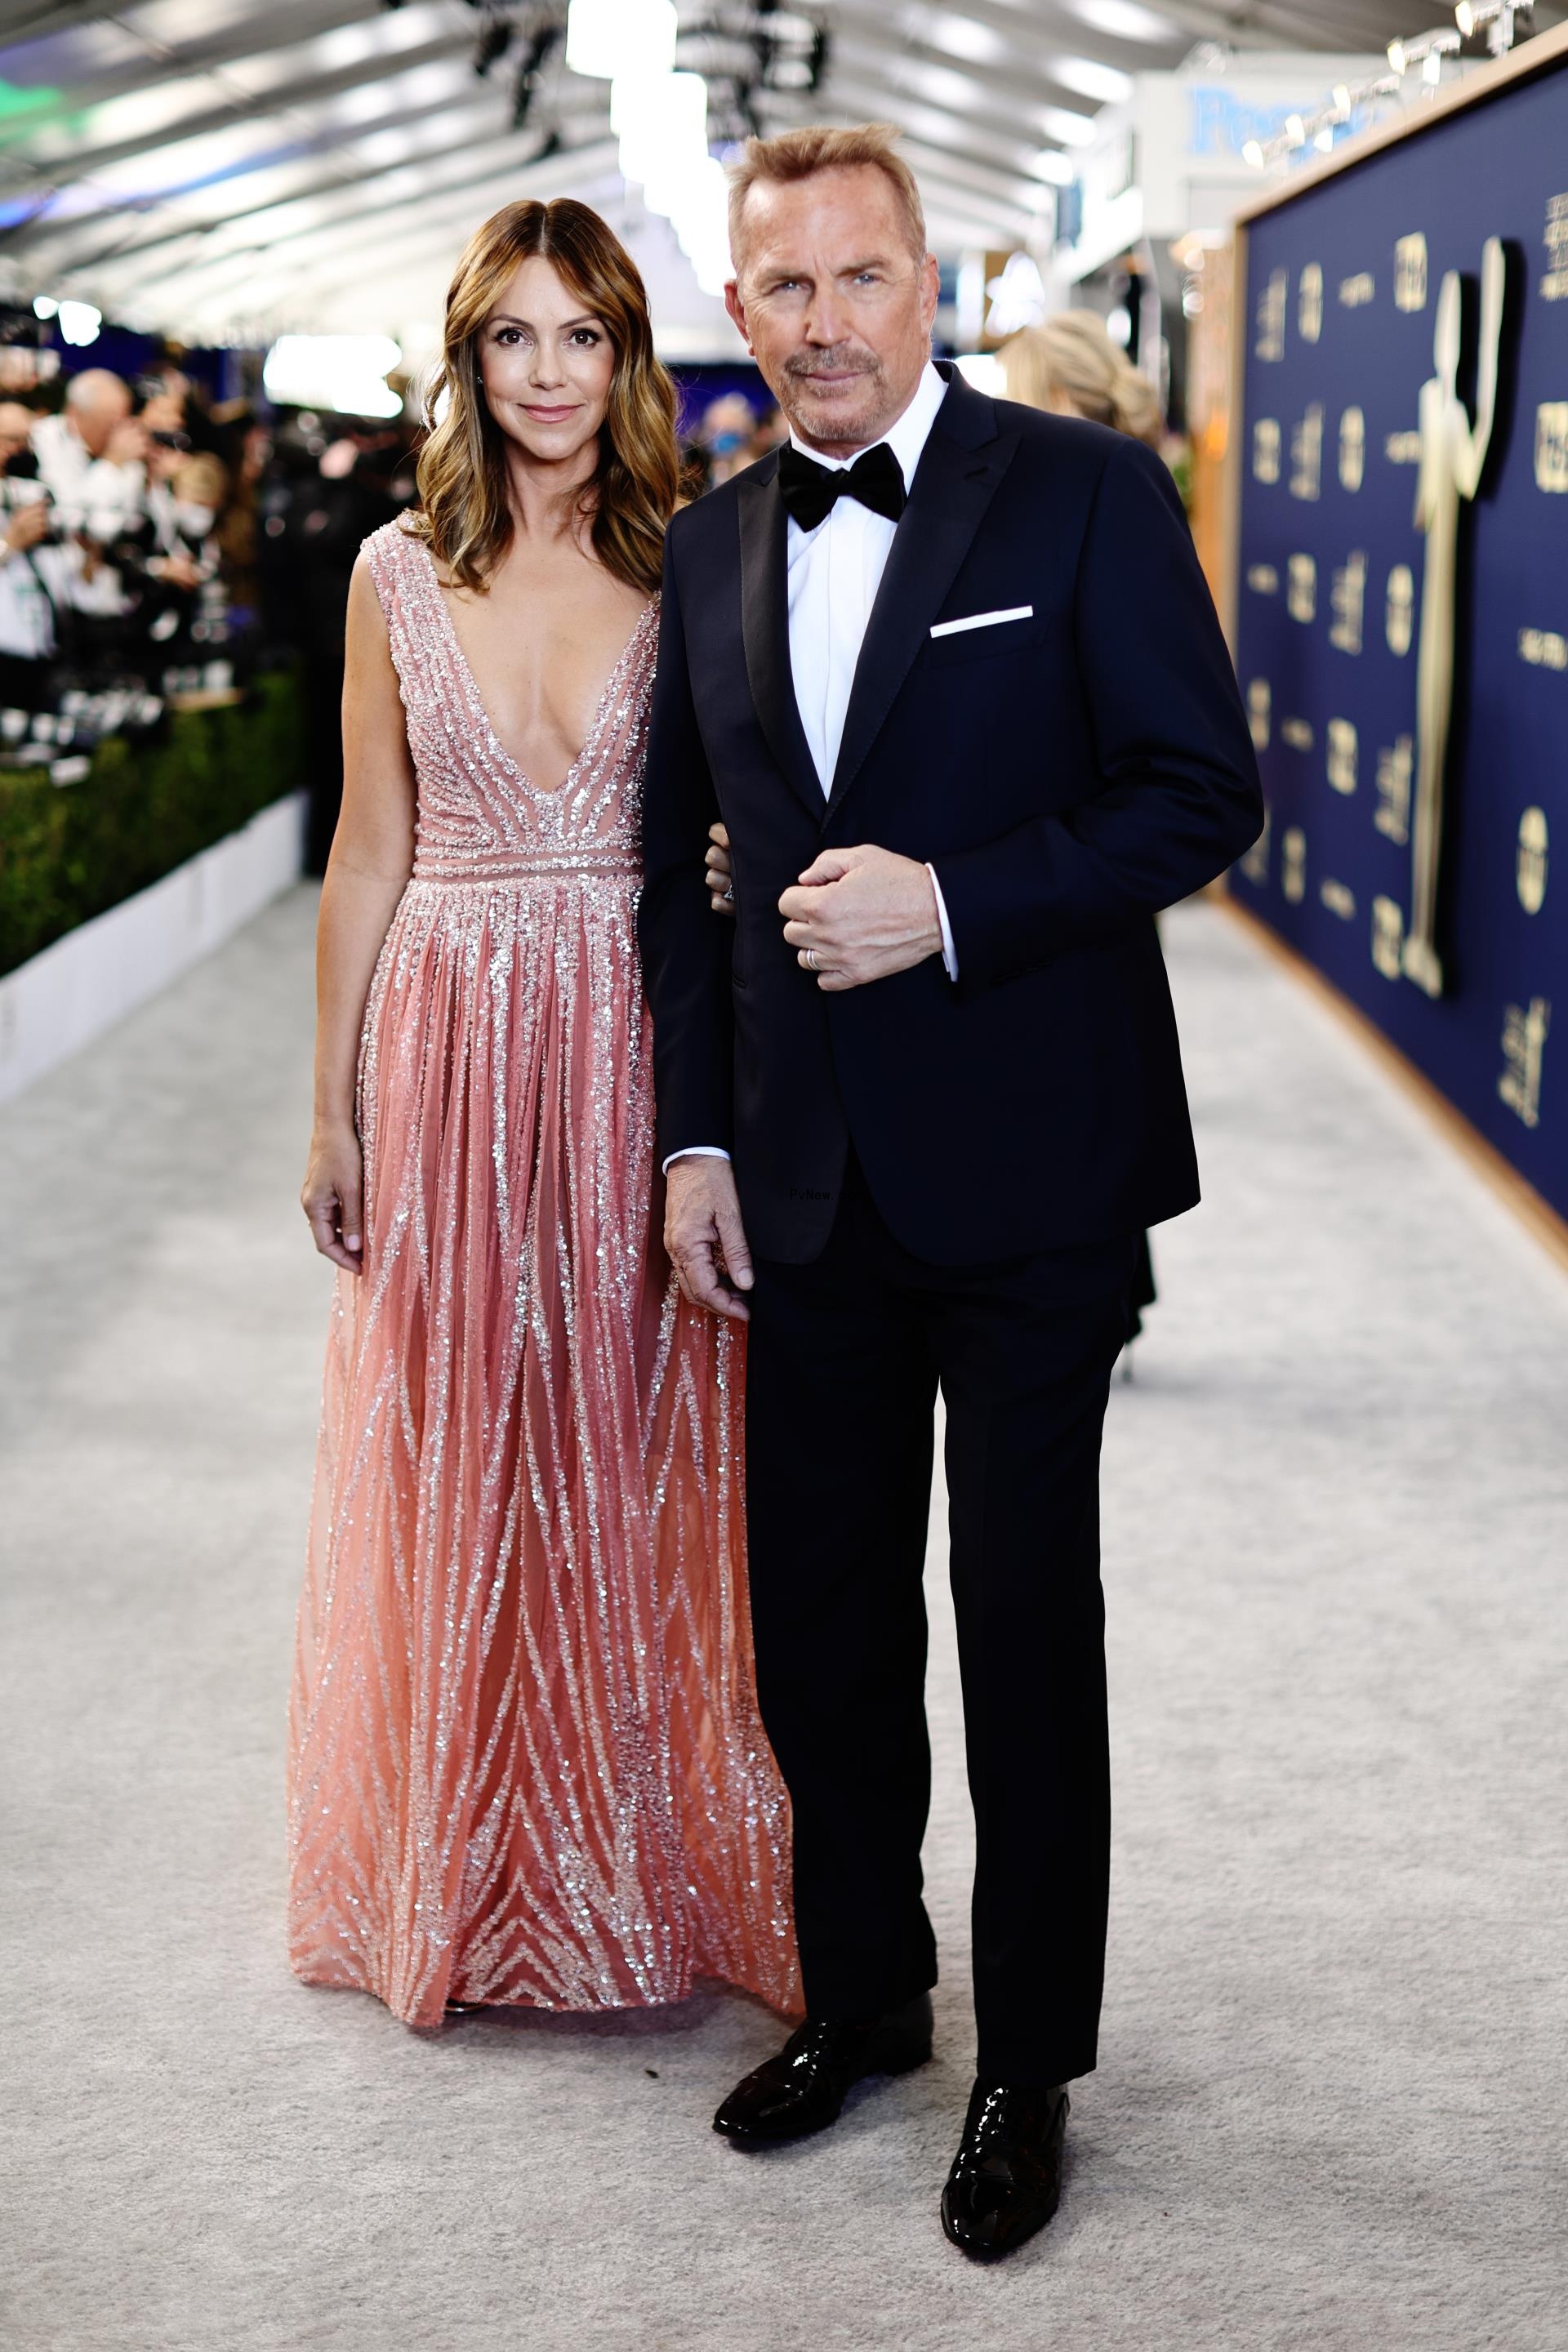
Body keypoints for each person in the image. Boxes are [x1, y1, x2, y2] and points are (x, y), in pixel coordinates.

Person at [638, 123, 1262, 2261]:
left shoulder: (1078, 494)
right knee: (818, 1635)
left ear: (933, 284)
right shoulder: (712, 545)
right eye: (783, 288)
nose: (823, 322)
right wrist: (695, 1138)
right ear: (742, 310)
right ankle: (873, 2000)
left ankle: (1033, 2061)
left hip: (1030, 1172)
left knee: (1023, 1633)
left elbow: (1201, 790)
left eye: (860, 279)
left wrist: (957, 907)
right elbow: (677, 882)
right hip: (797, 1191)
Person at [289, 198, 797, 2029]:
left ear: (630, 356)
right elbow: (368, 843)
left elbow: (751, 807)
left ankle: (630, 1864)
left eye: (582, 336)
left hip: (632, 1039)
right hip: (440, 1030)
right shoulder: (392, 570)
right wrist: (334, 1105)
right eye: (513, 336)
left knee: (632, 1433)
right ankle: (458, 1860)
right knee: (454, 1431)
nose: (550, 375)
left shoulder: (704, 557)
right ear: (468, 354)